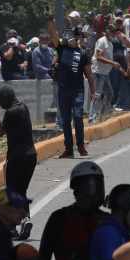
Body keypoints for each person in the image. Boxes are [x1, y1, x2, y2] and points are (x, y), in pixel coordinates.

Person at [47, 18, 96, 158]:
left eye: (79, 37)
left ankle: (80, 146)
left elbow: (89, 74)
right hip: (63, 90)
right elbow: (53, 35)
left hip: (77, 91)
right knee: (66, 120)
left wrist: (93, 91)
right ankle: (68, 149)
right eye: (75, 36)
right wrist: (50, 21)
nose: (76, 39)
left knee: (78, 117)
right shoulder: (62, 49)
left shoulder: (83, 54)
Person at [0, 84, 36, 203]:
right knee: (21, 191)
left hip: (17, 158)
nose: (0, 104)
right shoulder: (24, 107)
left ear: (6, 98)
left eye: (0, 101)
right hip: (31, 156)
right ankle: (25, 218)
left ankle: (20, 218)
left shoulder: (10, 112)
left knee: (12, 191)